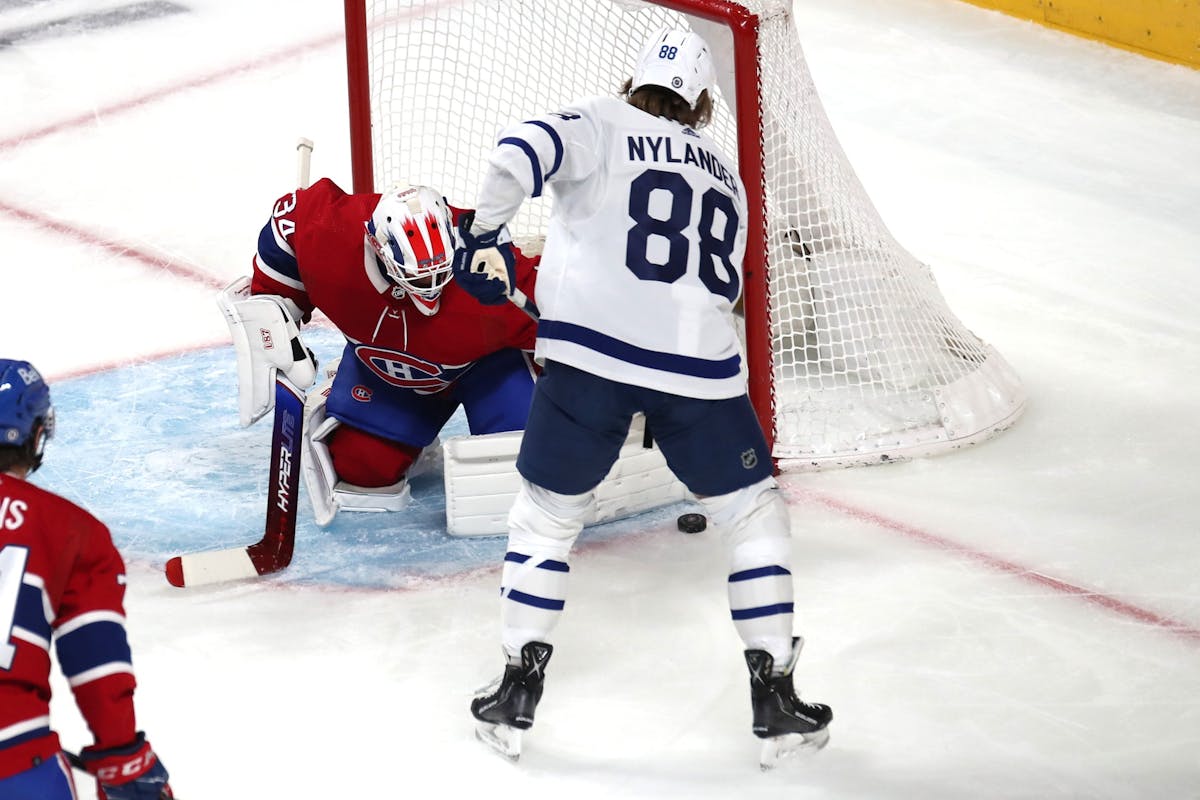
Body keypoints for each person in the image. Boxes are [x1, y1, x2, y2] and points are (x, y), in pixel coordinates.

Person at [452, 27, 832, 765]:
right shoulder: (728, 174)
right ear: (700, 109)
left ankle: (515, 691)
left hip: (589, 360)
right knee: (752, 513)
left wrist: (481, 234)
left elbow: (515, 153)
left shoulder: (601, 118)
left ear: (635, 86)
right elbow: (730, 294)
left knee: (547, 517)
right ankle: (776, 699)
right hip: (701, 372)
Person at [224, 179, 539, 526]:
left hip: (487, 370)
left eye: (440, 273)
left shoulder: (495, 270)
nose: (430, 291)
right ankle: (408, 440)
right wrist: (276, 303)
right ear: (377, 248)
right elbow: (286, 223)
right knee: (361, 472)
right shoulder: (330, 233)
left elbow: (567, 311)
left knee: (524, 472)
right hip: (388, 370)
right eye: (417, 278)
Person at [0, 359, 173, 799]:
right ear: (37, 434)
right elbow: (96, 659)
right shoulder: (69, 530)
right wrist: (124, 762)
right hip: (16, 762)